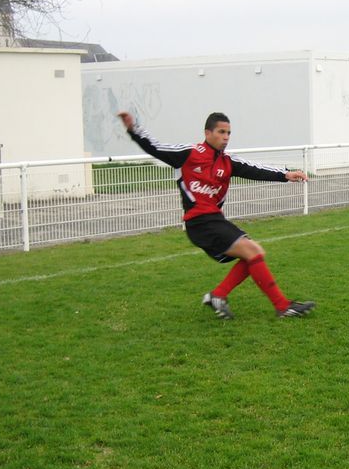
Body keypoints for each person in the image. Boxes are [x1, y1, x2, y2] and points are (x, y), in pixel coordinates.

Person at [117, 110, 316, 319]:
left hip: (214, 221)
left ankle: (219, 295)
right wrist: (133, 129)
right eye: (221, 132)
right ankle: (282, 306)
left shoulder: (227, 161)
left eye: (229, 133)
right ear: (208, 132)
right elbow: (156, 147)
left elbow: (255, 169)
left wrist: (285, 174)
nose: (226, 137)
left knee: (253, 255)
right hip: (199, 222)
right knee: (254, 252)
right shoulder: (188, 153)